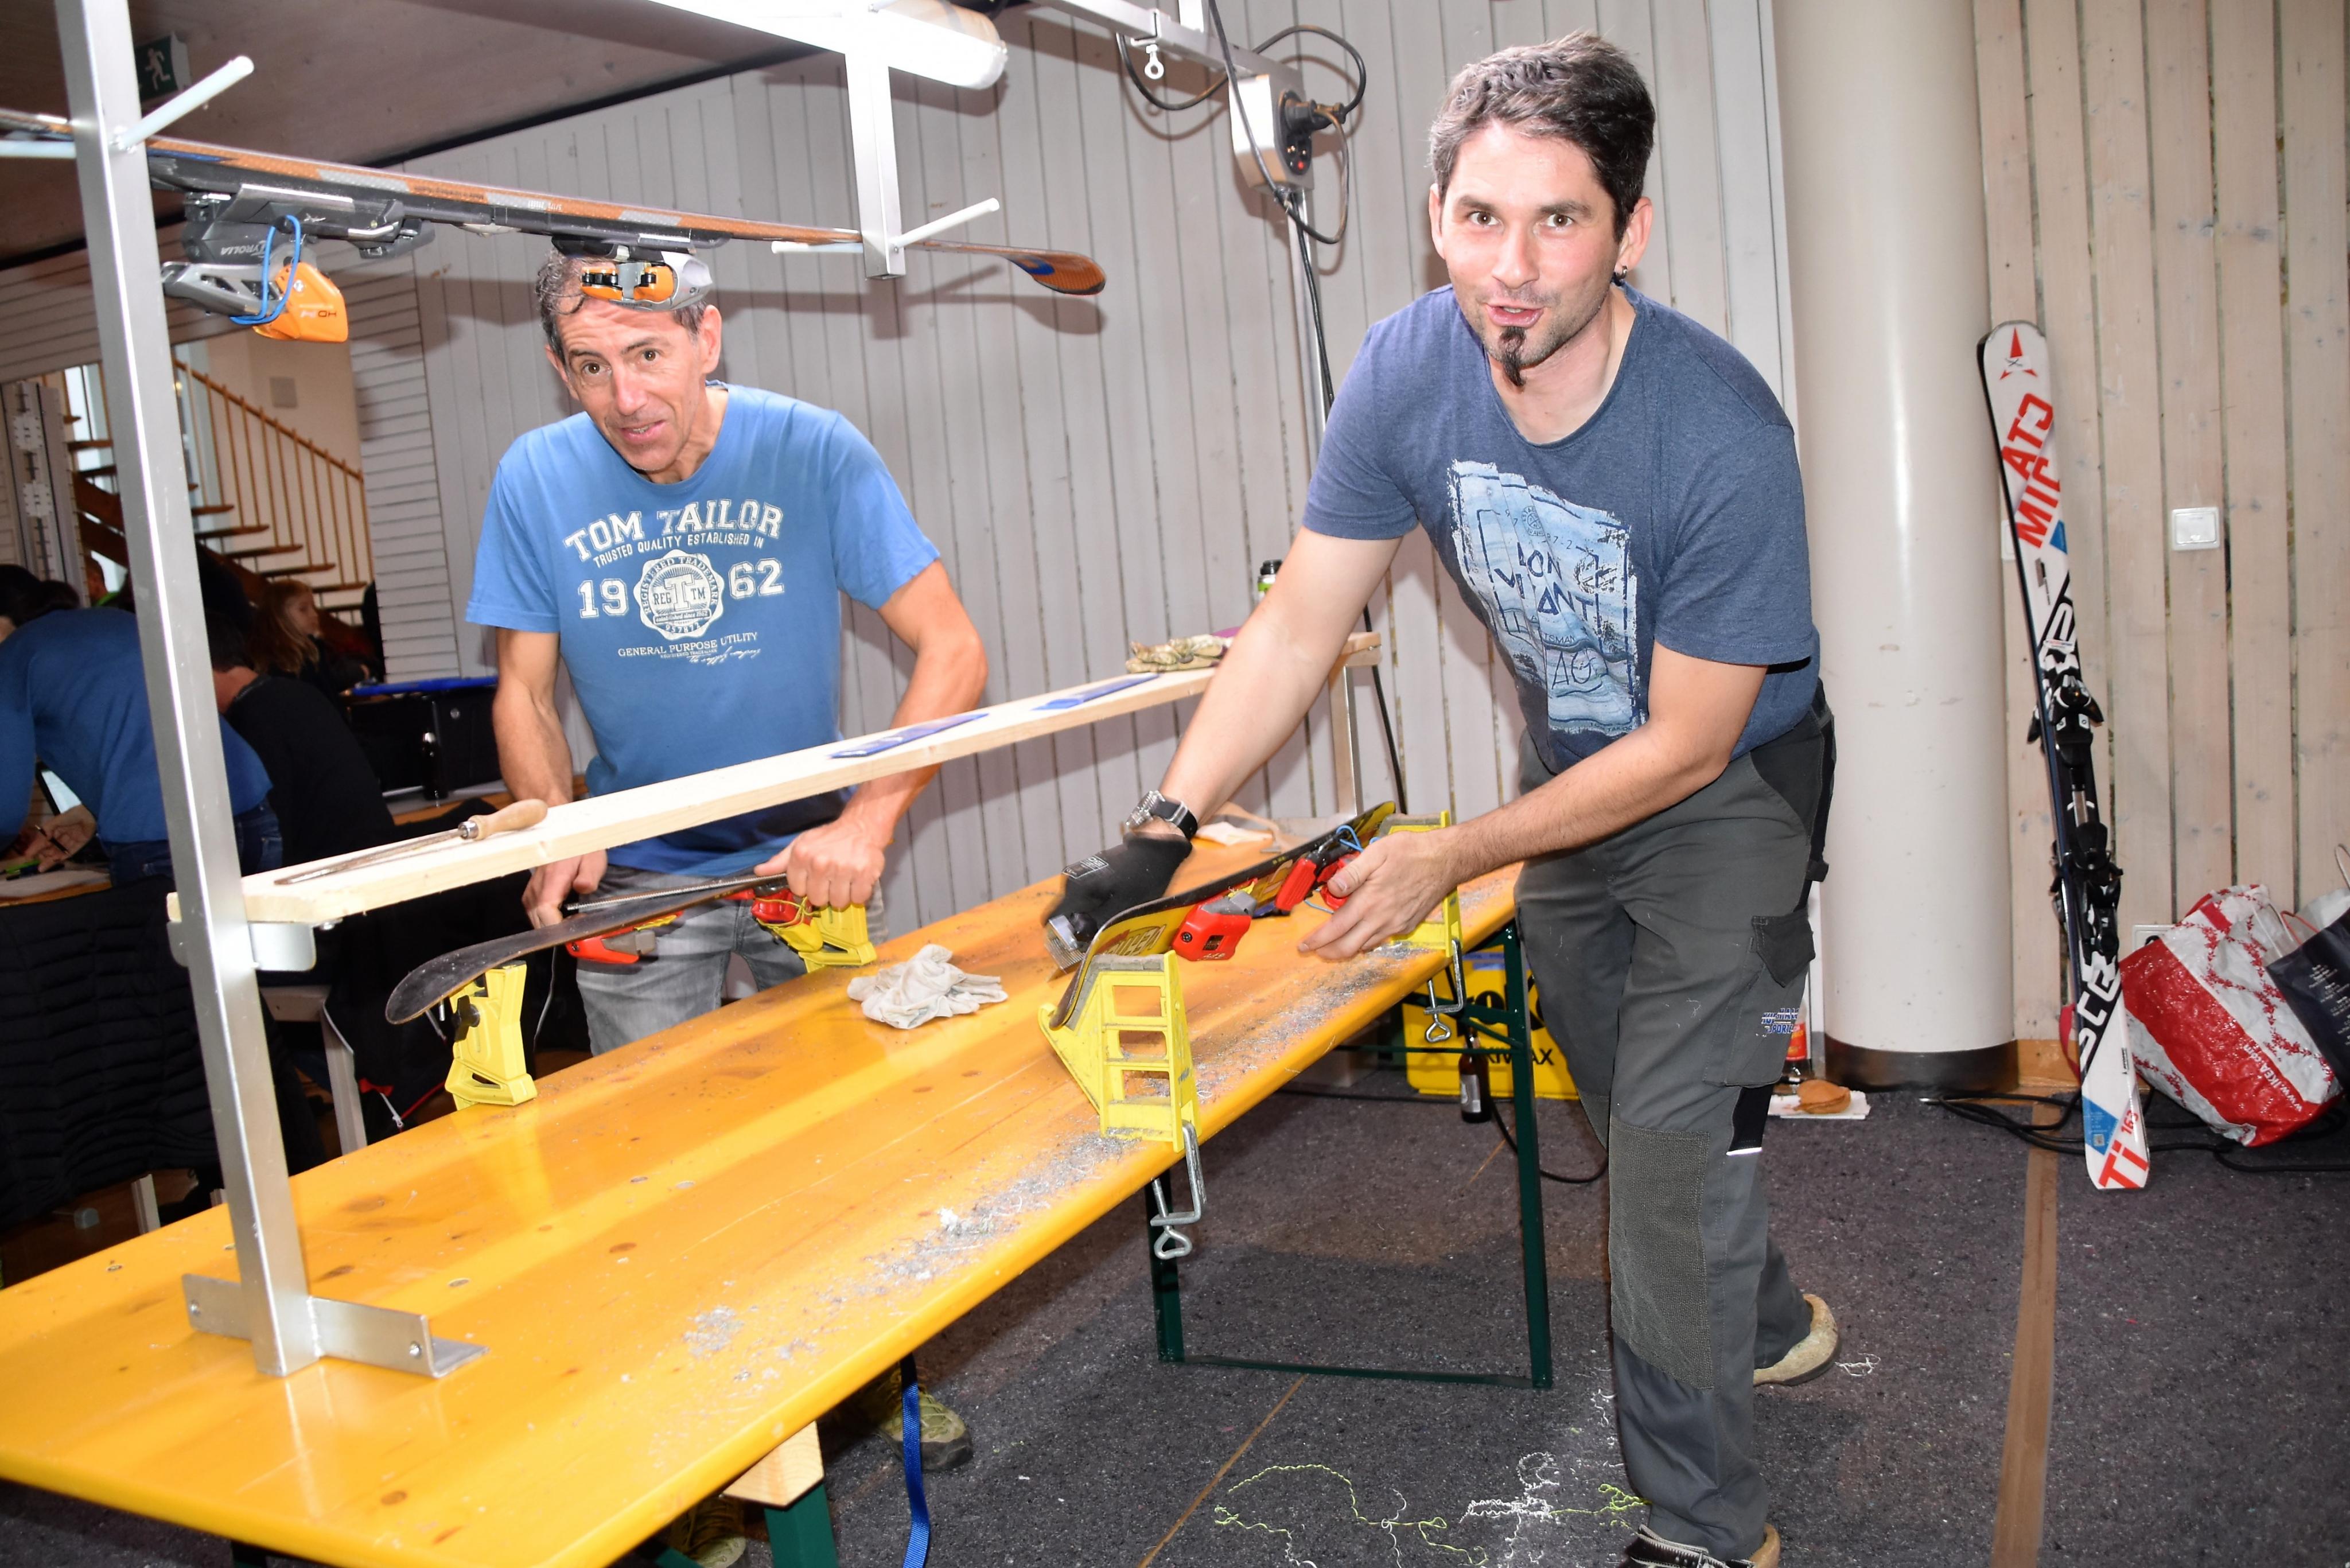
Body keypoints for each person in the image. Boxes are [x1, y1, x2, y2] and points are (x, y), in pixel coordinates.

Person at [1047, 36, 1834, 1568]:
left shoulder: (1720, 433)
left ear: (1630, 232)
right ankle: (1763, 1318)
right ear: (1433, 217)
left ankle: (1702, 1527)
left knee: (1668, 1158)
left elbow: (1687, 743)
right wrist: (1165, 823)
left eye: (1559, 220)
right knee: (1626, 1098)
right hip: (1570, 781)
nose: (1511, 267)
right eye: (1480, 217)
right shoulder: (1408, 372)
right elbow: (1299, 622)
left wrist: (1456, 855)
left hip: (1730, 787)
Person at [464, 243, 990, 1522]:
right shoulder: (536, 475)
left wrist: (869, 817)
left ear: (708, 338)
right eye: (591, 367)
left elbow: (953, 649)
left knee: (848, 1146)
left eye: (648, 355)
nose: (625, 395)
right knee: (658, 1175)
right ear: (561, 373)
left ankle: (878, 1384)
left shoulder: (811, 449)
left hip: (804, 870)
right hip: (639, 886)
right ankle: (701, 1455)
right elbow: (523, 689)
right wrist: (554, 823)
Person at [0, 566, 279, 884]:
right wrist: (92, 813)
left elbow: (5, 810)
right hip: (248, 807)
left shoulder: (13, 657)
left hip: (159, 835)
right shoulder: (118, 620)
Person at [209, 616, 395, 867]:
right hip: (369, 856)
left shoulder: (254, 719)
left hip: (335, 872)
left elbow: (274, 831)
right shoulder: (294, 693)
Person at [251, 579, 368, 700]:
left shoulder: (314, 650)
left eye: (313, 607)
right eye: (303, 609)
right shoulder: (282, 663)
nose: (314, 615)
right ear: (279, 617)